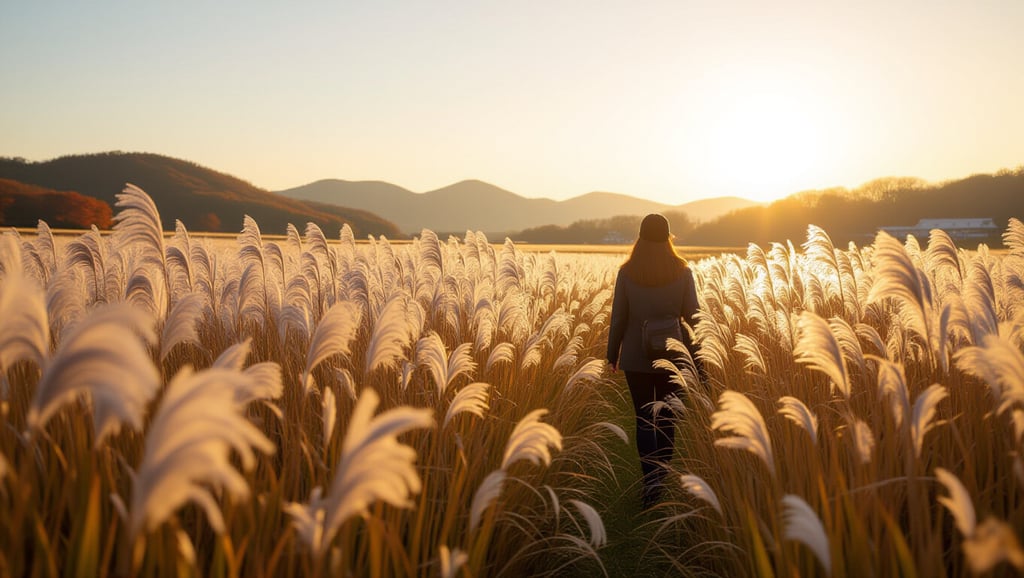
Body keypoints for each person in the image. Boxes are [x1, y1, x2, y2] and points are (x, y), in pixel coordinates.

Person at [606, 213, 702, 509]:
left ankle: (651, 481)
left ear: (640, 238)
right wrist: (698, 357)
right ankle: (662, 475)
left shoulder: (627, 272)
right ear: (669, 238)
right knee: (668, 417)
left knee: (645, 418)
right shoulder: (682, 271)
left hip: (636, 357)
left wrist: (613, 354)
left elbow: (619, 316)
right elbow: (694, 316)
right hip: (673, 355)